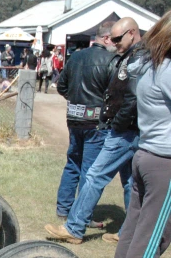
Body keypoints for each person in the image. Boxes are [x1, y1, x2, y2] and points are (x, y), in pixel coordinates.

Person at [45, 17, 146, 244]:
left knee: (94, 175)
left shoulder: (138, 58)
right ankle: (127, 234)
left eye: (118, 38)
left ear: (132, 33)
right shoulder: (128, 56)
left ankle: (75, 227)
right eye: (112, 38)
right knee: (130, 182)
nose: (115, 42)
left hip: (124, 129)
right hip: (124, 127)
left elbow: (133, 97)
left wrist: (117, 122)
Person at [106, 9, 171, 258]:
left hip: (145, 155)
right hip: (164, 162)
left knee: (133, 227)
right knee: (154, 233)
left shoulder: (150, 68)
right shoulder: (167, 71)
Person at [51, 23, 116, 225]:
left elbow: (61, 86)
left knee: (72, 164)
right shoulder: (111, 60)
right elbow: (116, 93)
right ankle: (81, 216)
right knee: (90, 170)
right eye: (115, 39)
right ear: (106, 38)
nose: (117, 44)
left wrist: (77, 100)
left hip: (75, 118)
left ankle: (64, 209)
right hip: (96, 122)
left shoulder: (76, 57)